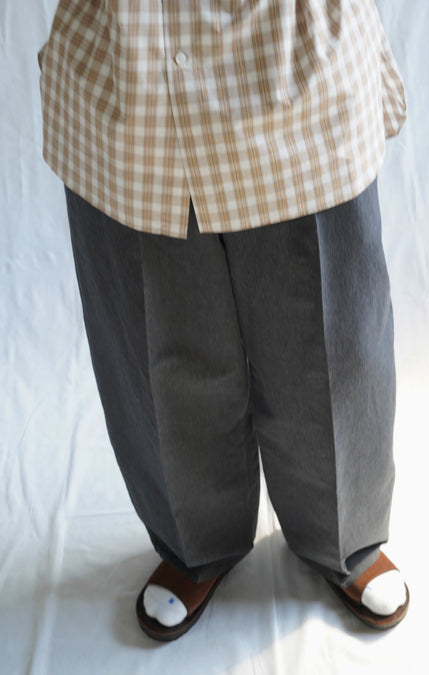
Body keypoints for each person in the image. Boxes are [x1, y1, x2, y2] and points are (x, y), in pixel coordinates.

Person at [38, 0, 409, 641]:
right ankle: (194, 543)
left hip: (290, 47)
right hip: (132, 57)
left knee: (329, 336)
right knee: (160, 331)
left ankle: (344, 535)